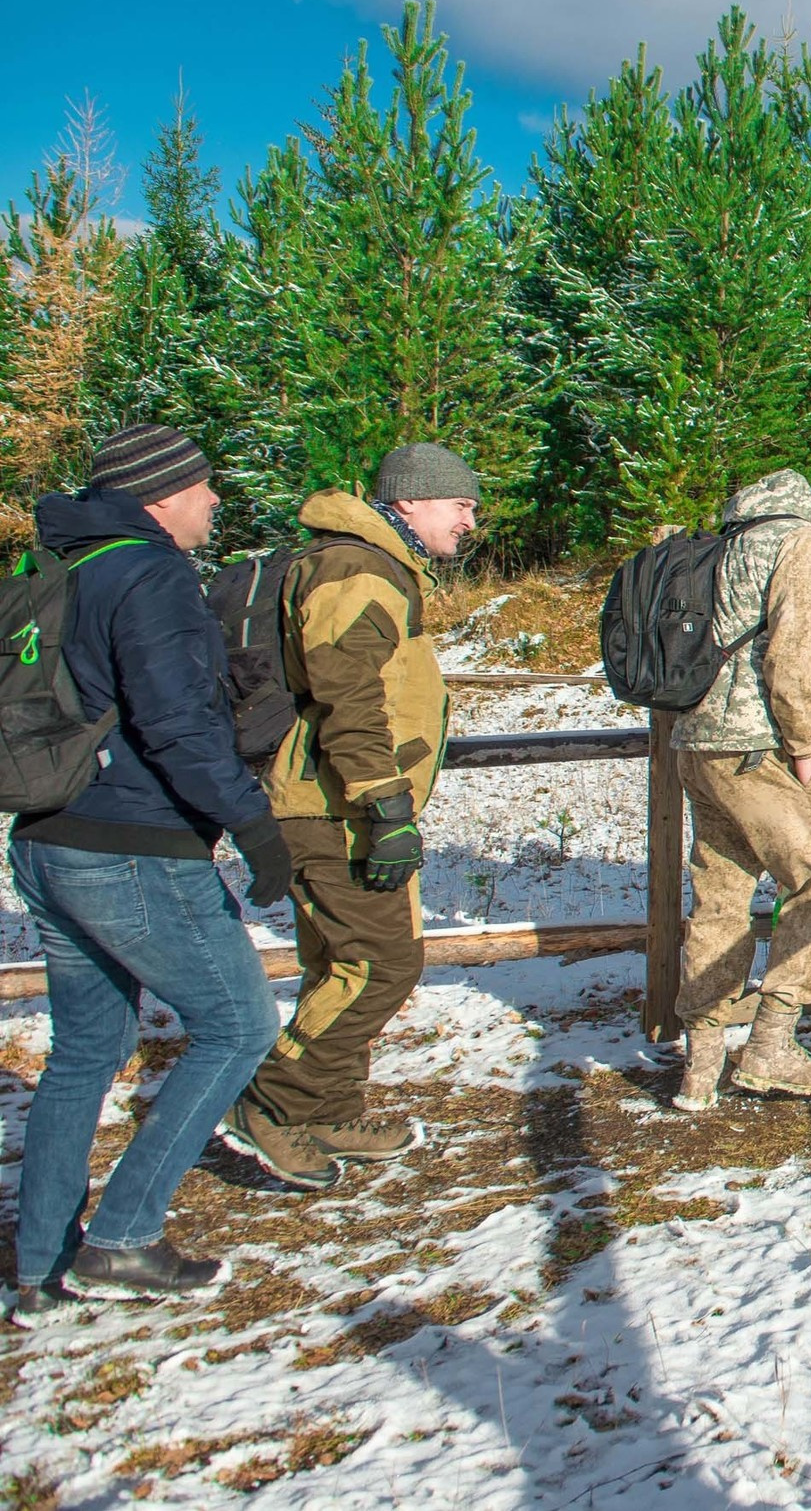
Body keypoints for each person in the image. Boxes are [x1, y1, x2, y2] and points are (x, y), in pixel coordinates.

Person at [9, 427, 294, 1319]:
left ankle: (38, 1265)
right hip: (134, 845)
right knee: (238, 1025)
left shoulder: (65, 568)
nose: (213, 501)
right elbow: (177, 723)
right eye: (203, 487)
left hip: (47, 838)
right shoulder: (153, 574)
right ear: (160, 495)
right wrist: (254, 825)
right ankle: (124, 1239)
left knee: (87, 1050)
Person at [220, 443, 478, 1187]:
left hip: (337, 805)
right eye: (458, 504)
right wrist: (385, 805)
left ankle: (325, 1109)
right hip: (333, 809)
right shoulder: (355, 568)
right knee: (383, 965)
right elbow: (350, 696)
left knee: (341, 965)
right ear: (409, 502)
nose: (470, 520)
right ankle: (273, 1102)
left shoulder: (370, 565)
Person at [665, 467, 811, 1113]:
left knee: (722, 896)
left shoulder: (739, 534)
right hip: (753, 748)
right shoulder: (805, 545)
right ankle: (769, 1047)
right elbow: (791, 663)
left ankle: (700, 1067)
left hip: (699, 744)